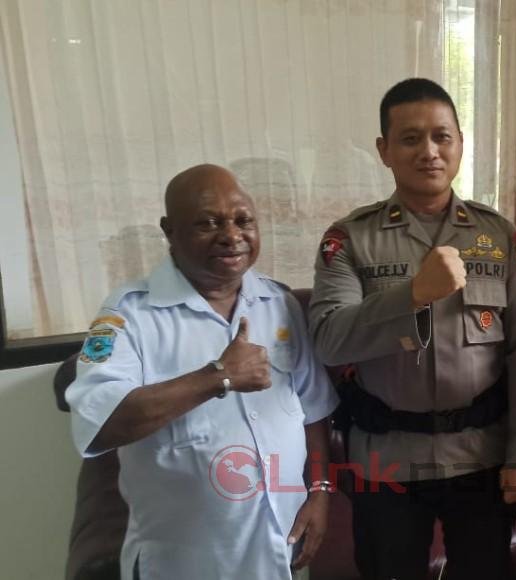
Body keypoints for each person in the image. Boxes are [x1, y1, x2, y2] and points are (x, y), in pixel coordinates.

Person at [309, 78, 516, 580]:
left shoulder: (499, 237)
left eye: (442, 137)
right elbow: (329, 340)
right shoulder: (350, 239)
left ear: (460, 143)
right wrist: (412, 295)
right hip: (385, 459)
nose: (429, 151)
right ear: (384, 150)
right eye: (410, 138)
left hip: (480, 456)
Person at [66, 164, 338, 580]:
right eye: (208, 223)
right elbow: (97, 423)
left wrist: (319, 491)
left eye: (243, 221)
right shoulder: (129, 314)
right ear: (169, 230)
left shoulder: (278, 302)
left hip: (279, 550)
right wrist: (217, 376)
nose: (231, 235)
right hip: (183, 562)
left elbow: (313, 410)